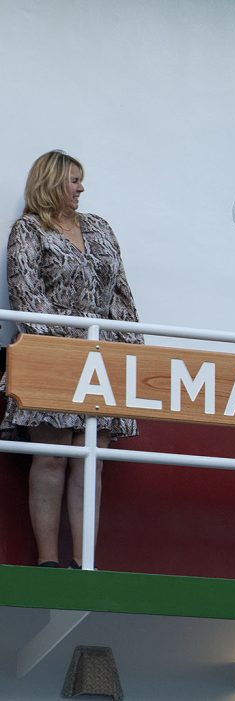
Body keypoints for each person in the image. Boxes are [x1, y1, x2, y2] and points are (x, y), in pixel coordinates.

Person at [1, 150, 144, 568]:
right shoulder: (28, 230)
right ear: (51, 182)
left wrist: (127, 349)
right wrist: (65, 350)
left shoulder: (99, 228)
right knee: (51, 455)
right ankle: (48, 560)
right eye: (73, 180)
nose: (81, 188)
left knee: (91, 461)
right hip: (53, 356)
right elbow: (26, 293)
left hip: (104, 359)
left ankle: (85, 563)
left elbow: (120, 293)